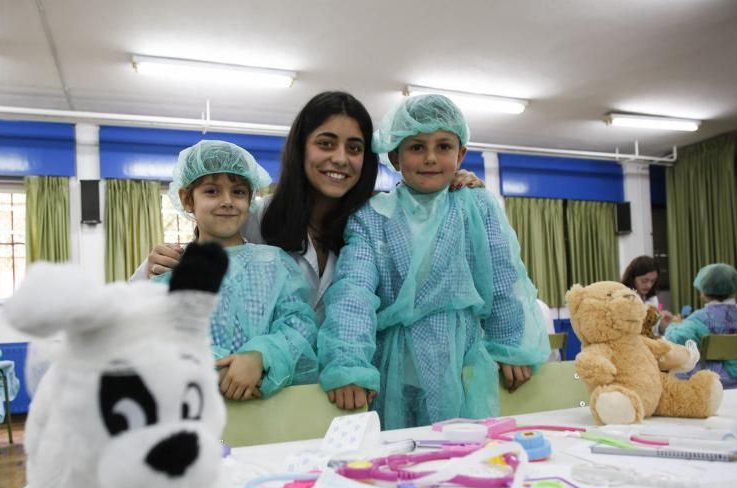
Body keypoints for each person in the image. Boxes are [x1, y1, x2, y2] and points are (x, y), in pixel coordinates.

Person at [136, 91, 482, 321]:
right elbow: (156, 290)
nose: (340, 159)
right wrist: (155, 265)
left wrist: (446, 189)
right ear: (301, 149)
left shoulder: (377, 221)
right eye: (326, 143)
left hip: (354, 392)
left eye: (355, 147)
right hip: (262, 395)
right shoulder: (254, 217)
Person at [318, 94, 550, 429]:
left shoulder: (477, 206)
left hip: (463, 363)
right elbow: (353, 294)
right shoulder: (371, 217)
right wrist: (348, 362)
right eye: (416, 147)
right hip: (392, 367)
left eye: (443, 146)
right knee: (400, 460)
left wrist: (511, 347)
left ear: (461, 154)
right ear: (395, 157)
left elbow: (502, 277)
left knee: (463, 456)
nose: (430, 158)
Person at [151, 140, 319, 401]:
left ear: (250, 198)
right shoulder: (170, 272)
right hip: (194, 409)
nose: (227, 201)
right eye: (212, 191)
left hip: (270, 411)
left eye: (239, 192)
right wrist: (216, 369)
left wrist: (261, 356)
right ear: (187, 199)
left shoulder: (276, 264)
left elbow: (299, 326)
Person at [663, 263, 737, 388]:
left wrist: (672, 325)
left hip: (710, 383)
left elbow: (676, 339)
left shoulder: (701, 317)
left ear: (703, 292)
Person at [621, 255, 673, 332]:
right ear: (632, 278)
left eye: (653, 281)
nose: (649, 285)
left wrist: (663, 325)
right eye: (644, 281)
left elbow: (654, 330)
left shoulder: (653, 298)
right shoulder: (623, 298)